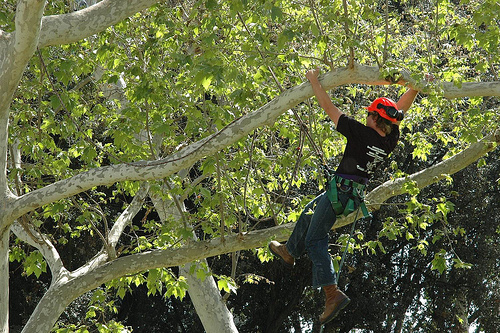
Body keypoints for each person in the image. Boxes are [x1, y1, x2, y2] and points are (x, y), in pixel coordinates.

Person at [269, 68, 420, 325]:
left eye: (369, 114)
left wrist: (314, 81)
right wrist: (415, 87)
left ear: (374, 117)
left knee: (316, 238)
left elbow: (327, 106)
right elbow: (400, 110)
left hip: (341, 191)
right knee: (308, 213)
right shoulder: (390, 139)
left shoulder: (359, 133)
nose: (366, 117)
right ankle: (289, 250)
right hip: (351, 193)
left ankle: (332, 294)